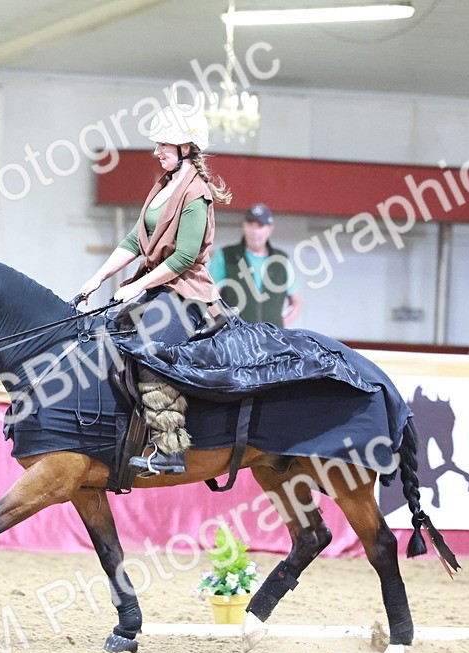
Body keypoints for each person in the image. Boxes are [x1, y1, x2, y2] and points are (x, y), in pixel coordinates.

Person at [76, 103, 230, 476]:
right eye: (158, 143)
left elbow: (185, 257)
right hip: (156, 288)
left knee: (150, 352)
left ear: (186, 147)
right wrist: (97, 278)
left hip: (185, 292)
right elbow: (135, 240)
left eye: (164, 144)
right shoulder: (163, 186)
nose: (156, 151)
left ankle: (170, 447)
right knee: (108, 340)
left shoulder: (196, 194)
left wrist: (138, 286)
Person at [208, 203, 302, 326]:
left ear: (270, 229)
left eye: (260, 226)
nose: (254, 231)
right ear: (244, 226)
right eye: (250, 225)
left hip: (271, 337)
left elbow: (296, 302)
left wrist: (280, 325)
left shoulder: (281, 260)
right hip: (236, 335)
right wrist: (218, 324)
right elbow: (211, 299)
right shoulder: (226, 256)